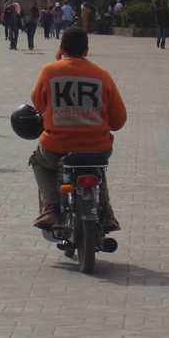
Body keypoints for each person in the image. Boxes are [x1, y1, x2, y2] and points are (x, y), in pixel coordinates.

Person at [29, 26, 125, 231]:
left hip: (56, 147)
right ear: (86, 51)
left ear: (61, 48)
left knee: (37, 161)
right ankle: (106, 211)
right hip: (98, 147)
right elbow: (118, 121)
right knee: (97, 167)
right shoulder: (102, 75)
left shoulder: (49, 71)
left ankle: (52, 207)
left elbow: (38, 104)